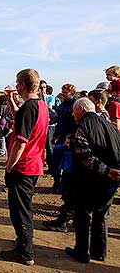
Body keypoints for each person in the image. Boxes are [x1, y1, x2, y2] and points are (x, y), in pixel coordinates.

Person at [1, 68, 48, 266]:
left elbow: (20, 141)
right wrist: (11, 101)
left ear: (21, 85)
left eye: (16, 83)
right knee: (23, 208)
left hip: (23, 166)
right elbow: (20, 117)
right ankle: (23, 242)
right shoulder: (39, 105)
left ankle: (25, 252)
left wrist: (9, 166)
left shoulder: (30, 107)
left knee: (20, 211)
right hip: (34, 163)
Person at [65, 97, 120, 263]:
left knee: (83, 215)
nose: (73, 114)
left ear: (81, 109)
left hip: (90, 179)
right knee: (102, 215)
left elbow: (85, 156)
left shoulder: (82, 127)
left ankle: (82, 252)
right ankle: (99, 252)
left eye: (74, 111)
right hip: (111, 180)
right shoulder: (110, 125)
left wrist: (107, 171)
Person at [42, 135, 74, 232]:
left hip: (73, 176)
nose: (66, 144)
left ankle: (63, 223)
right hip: (68, 174)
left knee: (70, 200)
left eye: (68, 143)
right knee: (69, 198)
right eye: (66, 142)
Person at [50, 84, 77, 193]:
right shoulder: (62, 105)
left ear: (72, 93)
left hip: (70, 139)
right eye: (62, 91)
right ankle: (57, 183)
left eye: (65, 91)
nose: (63, 93)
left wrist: (71, 137)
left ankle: (66, 187)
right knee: (55, 162)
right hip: (60, 136)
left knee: (67, 165)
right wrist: (55, 135)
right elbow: (59, 120)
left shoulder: (75, 105)